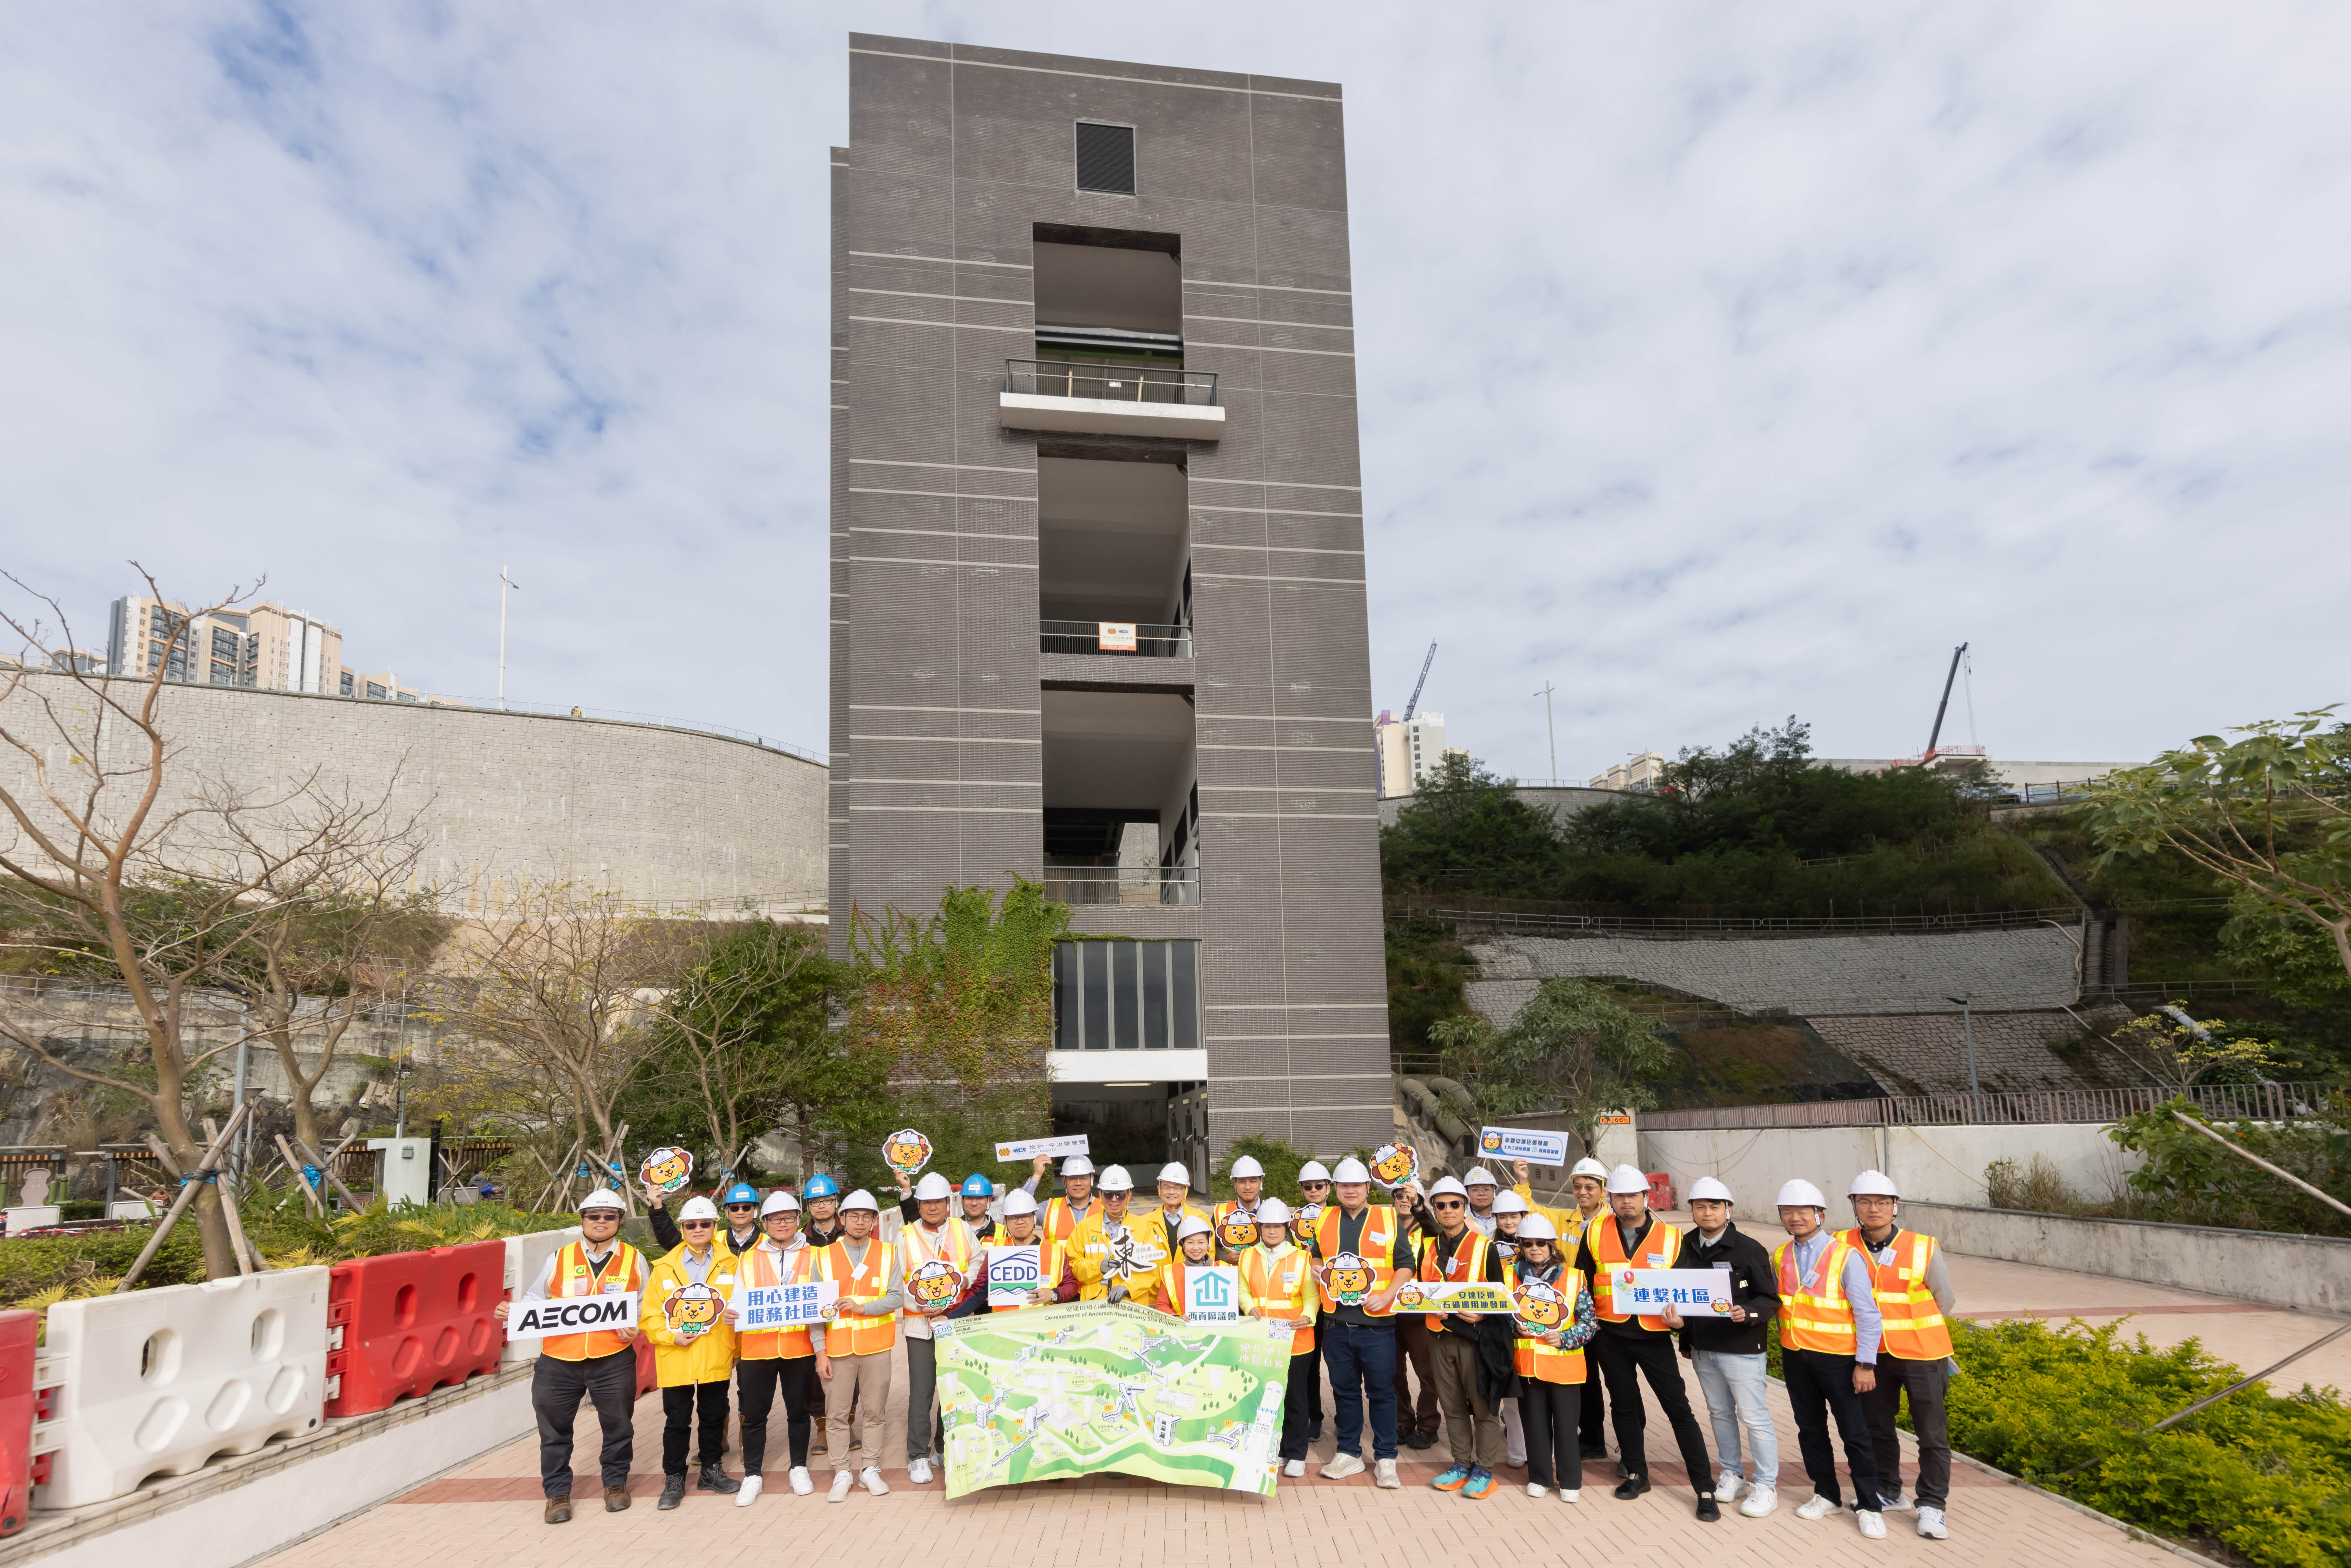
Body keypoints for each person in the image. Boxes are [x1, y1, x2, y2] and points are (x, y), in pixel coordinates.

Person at [1573, 1164, 1719, 1521]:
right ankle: (1637, 1474)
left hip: (1654, 1337)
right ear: (1611, 1199)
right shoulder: (1594, 1232)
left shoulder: (1671, 1238)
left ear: (1645, 1198)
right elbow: (1581, 1285)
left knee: (1679, 1410)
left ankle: (1704, 1488)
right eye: (1620, 1197)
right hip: (1610, 1335)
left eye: (1632, 1196)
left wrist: (1682, 1323)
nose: (1626, 1202)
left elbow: (1687, 1290)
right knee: (1623, 1405)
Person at [497, 1188, 642, 1524]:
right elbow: (537, 1299)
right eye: (594, 1216)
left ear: (620, 1220)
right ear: (583, 1221)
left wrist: (635, 1327)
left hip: (613, 1358)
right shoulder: (560, 1258)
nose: (601, 1222)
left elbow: (642, 1305)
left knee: (619, 1426)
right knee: (554, 1432)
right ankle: (557, 1493)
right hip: (559, 1360)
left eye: (609, 1216)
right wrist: (513, 1311)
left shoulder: (634, 1259)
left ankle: (616, 1484)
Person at [1843, 1170, 1956, 1541]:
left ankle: (1933, 1506)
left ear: (1895, 1207)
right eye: (1865, 1202)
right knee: (1877, 1427)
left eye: (1882, 1202)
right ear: (1854, 1206)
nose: (1874, 1209)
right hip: (1872, 1355)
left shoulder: (1922, 1246)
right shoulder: (1841, 1245)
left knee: (1931, 1433)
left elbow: (1945, 1299)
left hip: (1923, 1353)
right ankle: (1889, 1491)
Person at [1661, 1176, 1782, 1518]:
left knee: (1754, 1417)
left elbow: (1770, 1299)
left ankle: (1766, 1485)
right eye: (1701, 1206)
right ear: (1693, 1211)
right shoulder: (1684, 1246)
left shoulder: (1748, 1249)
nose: (1708, 1212)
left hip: (1742, 1348)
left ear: (1727, 1211)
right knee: (1719, 1414)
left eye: (1715, 1206)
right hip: (1704, 1348)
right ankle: (1732, 1474)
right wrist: (1683, 1333)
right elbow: (1682, 1295)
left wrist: (1750, 1313)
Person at [1773, 1178, 1886, 1538]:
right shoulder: (1780, 1255)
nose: (1795, 1218)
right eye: (1788, 1212)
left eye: (1803, 1212)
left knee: (1855, 1434)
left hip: (1839, 1361)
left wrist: (1866, 1364)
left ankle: (1869, 1505)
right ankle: (1826, 1493)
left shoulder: (1845, 1256)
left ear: (1820, 1215)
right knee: (1810, 1430)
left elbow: (1868, 1314)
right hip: (1796, 1357)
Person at [1308, 1156, 1413, 1488]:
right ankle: (1349, 1453)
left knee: (1382, 1393)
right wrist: (1314, 1267)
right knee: (1345, 1392)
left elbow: (1406, 1265)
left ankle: (1385, 1458)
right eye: (1344, 1185)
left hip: (1377, 1325)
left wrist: (1389, 1295)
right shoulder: (1325, 1217)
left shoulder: (1388, 1216)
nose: (1350, 1190)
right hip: (1336, 1325)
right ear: (1335, 1189)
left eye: (1356, 1185)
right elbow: (1316, 1255)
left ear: (1368, 1187)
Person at [641, 1195, 744, 1508]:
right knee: (677, 1420)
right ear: (683, 1229)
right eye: (691, 1225)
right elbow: (650, 1316)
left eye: (705, 1224)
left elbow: (741, 1306)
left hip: (717, 1351)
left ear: (715, 1227)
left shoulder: (733, 1264)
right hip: (677, 1356)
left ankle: (711, 1470)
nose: (698, 1229)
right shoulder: (663, 1269)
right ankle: (674, 1478)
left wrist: (737, 1348)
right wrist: (673, 1337)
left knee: (713, 1416)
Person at [732, 1189, 829, 1504]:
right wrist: (731, 1312)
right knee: (754, 1414)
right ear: (765, 1223)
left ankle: (798, 1467)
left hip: (798, 1347)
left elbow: (821, 1303)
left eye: (789, 1218)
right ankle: (752, 1475)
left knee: (798, 1412)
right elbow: (737, 1297)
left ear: (798, 1220)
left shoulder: (815, 1255)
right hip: (757, 1349)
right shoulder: (748, 1258)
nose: (783, 1223)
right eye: (776, 1219)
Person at [1514, 1155, 1613, 1461]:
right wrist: (1522, 1182)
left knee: (1606, 1380)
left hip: (1603, 1310)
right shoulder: (1564, 1220)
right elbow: (1532, 1216)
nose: (1583, 1192)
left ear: (1604, 1190)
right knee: (1582, 1379)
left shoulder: (1610, 1225)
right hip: (1563, 1312)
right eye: (1578, 1186)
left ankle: (1606, 1442)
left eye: (1591, 1187)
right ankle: (1588, 1438)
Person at [1418, 1175, 1509, 1500]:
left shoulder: (1485, 1248)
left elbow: (1501, 1297)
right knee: (1452, 1405)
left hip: (1473, 1339)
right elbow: (1420, 1290)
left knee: (1482, 1407)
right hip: (1438, 1338)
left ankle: (1485, 1469)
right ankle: (1461, 1464)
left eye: (1454, 1204)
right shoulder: (1428, 1248)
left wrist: (1483, 1315)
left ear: (1465, 1207)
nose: (1447, 1210)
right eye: (1440, 1205)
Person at [898, 1170, 982, 1485]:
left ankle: (944, 1448)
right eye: (927, 1202)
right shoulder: (906, 1236)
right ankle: (918, 1456)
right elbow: (897, 1280)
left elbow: (978, 1261)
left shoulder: (962, 1229)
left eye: (939, 1202)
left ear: (949, 1203)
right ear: (918, 1204)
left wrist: (964, 1282)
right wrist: (920, 1301)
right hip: (920, 1325)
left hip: (956, 1321)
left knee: (953, 1388)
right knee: (922, 1392)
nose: (933, 1207)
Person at [1506, 1214, 1596, 1502]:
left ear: (1552, 1246)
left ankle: (1571, 1481)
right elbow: (1498, 1316)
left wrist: (1566, 1339)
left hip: (1564, 1366)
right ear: (1520, 1245)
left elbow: (1590, 1323)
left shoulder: (1574, 1277)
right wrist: (1513, 1326)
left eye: (1541, 1243)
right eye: (1528, 1243)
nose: (1535, 1249)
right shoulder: (1509, 1276)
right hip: (1528, 1367)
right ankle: (1540, 1478)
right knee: (1534, 1424)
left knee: (1567, 1427)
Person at [819, 1189, 900, 1502]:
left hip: (877, 1346)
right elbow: (816, 1310)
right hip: (837, 1349)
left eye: (867, 1216)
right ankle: (842, 1472)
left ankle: (870, 1469)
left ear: (875, 1221)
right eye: (854, 1215)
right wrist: (820, 1352)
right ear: (842, 1219)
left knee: (875, 1412)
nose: (860, 1221)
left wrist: (862, 1308)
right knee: (837, 1415)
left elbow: (895, 1297)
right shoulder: (823, 1256)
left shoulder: (888, 1253)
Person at [1239, 1198, 1318, 1477]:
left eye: (1278, 1227)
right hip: (1262, 1339)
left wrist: (1309, 1316)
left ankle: (1296, 1453)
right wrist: (1250, 1307)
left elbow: (1311, 1295)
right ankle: (1276, 1449)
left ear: (1287, 1228)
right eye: (1267, 1226)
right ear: (1259, 1227)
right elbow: (1243, 1290)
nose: (1272, 1232)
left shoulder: (1302, 1258)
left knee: (1296, 1398)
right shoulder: (1248, 1256)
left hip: (1296, 1340)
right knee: (1267, 1398)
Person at [1386, 1177, 1443, 1453]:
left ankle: (1429, 1426)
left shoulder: (1428, 1228)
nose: (1404, 1201)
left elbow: (1436, 1229)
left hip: (1420, 1312)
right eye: (1399, 1196)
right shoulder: (1386, 1226)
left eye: (1409, 1197)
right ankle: (1403, 1420)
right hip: (1389, 1310)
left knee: (1427, 1372)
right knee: (1393, 1371)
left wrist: (1421, 1204)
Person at [799, 1174, 843, 1454]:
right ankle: (823, 1429)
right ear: (808, 1207)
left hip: (846, 1312)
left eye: (827, 1200)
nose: (822, 1206)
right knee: (815, 1375)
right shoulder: (799, 1240)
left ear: (836, 1203)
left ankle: (847, 1424)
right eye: (816, 1202)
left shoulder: (850, 1234)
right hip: (812, 1314)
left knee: (847, 1369)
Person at [1125, 1161, 1208, 1308]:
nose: (1171, 1192)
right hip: (1153, 1298)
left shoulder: (1201, 1220)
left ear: (1186, 1190)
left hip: (1189, 1297)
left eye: (1177, 1187)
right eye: (1167, 1187)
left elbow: (1208, 1260)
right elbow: (1137, 1264)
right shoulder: (1145, 1222)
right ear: (1159, 1189)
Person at [1491, 1189, 1531, 1468]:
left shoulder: (1537, 1243)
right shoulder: (1488, 1246)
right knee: (1512, 1397)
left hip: (1535, 1328)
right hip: (1503, 1328)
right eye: (1502, 1216)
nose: (1508, 1221)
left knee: (1539, 1396)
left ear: (1524, 1216)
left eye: (1513, 1216)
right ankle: (1518, 1453)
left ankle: (1543, 1448)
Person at [1150, 1214, 1254, 1320]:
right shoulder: (1171, 1272)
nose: (1196, 1248)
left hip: (1219, 1330)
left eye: (1201, 1243)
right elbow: (1161, 1305)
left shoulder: (1226, 1269)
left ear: (1208, 1243)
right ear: (1183, 1244)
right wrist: (1176, 1318)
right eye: (1190, 1243)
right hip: (1183, 1331)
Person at [987, 1189, 1079, 1307]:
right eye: (1014, 1217)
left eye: (1025, 1216)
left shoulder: (1056, 1253)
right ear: (1006, 1222)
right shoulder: (996, 1250)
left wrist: (1054, 1294)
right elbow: (980, 1288)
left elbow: (1072, 1286)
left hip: (1043, 1323)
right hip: (1005, 1323)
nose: (1020, 1222)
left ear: (1034, 1219)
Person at [1295, 1159, 1332, 1442]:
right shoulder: (1294, 1221)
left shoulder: (1340, 1216)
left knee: (1343, 1367)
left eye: (1320, 1186)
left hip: (1338, 1302)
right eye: (1309, 1187)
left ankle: (1345, 1418)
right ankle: (1314, 1416)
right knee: (1309, 1366)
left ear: (1329, 1188)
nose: (1314, 1190)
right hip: (1308, 1304)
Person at [1068, 1164, 1140, 1300]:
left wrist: (1128, 1287)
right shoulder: (1084, 1227)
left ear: (1129, 1195)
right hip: (1095, 1304)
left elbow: (1152, 1269)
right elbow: (1074, 1266)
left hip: (1131, 1305)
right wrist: (1098, 1267)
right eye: (1108, 1194)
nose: (1114, 1200)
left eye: (1120, 1195)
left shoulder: (1143, 1227)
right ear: (1100, 1195)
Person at [644, 1178, 765, 1256]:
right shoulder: (712, 1238)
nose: (740, 1212)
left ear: (756, 1210)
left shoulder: (767, 1242)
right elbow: (672, 1242)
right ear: (727, 1211)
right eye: (734, 1208)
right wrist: (658, 1207)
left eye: (746, 1207)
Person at [1035, 1153, 1099, 1242]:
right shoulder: (1048, 1209)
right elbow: (1017, 1212)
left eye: (1083, 1178)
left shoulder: (1106, 1209)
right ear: (1064, 1181)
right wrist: (1037, 1175)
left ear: (1092, 1179)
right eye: (1073, 1179)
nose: (1078, 1183)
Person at [1215, 1154, 1265, 1224]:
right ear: (1234, 1185)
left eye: (1253, 1181)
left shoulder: (1273, 1211)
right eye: (1242, 1182)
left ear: (1261, 1183)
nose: (1248, 1187)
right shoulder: (1221, 1213)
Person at [1461, 1165, 1502, 1236]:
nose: (1481, 1194)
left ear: (1494, 1192)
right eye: (1475, 1190)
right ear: (1467, 1193)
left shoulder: (1506, 1214)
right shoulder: (1460, 1217)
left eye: (1486, 1189)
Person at [955, 1172, 997, 1239]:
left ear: (989, 1201)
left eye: (980, 1198)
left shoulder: (1002, 1233)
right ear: (962, 1201)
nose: (974, 1204)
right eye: (969, 1198)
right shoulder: (951, 1229)